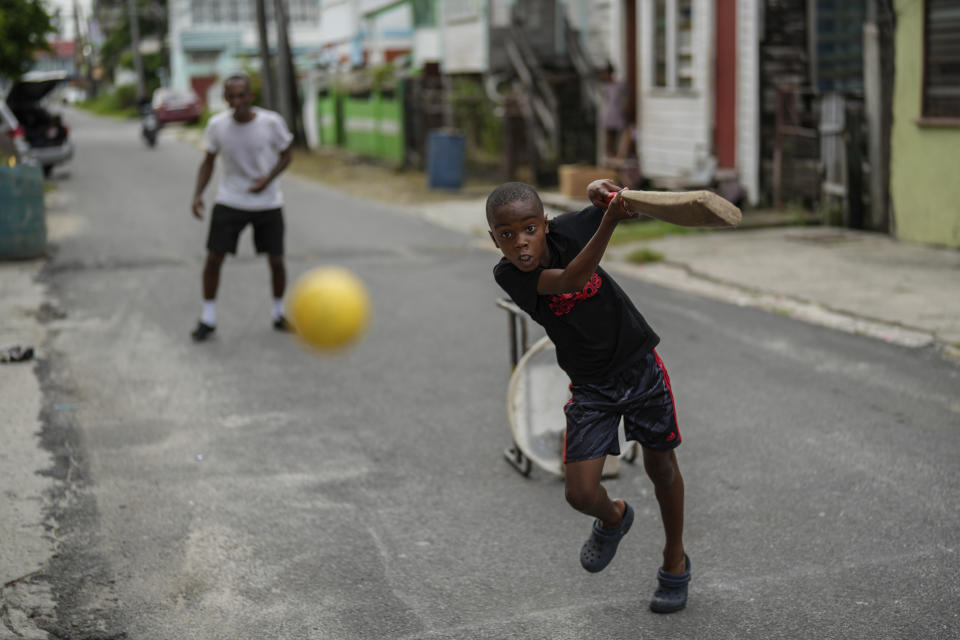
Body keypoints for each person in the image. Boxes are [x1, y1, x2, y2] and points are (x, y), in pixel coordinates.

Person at [486, 180, 690, 613]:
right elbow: (570, 280)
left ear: (544, 224)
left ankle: (675, 560)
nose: (521, 243)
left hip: (639, 365)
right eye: (507, 235)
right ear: (494, 240)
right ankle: (614, 516)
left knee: (661, 467)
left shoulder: (570, 230)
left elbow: (613, 205)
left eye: (529, 229)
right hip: (591, 386)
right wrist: (610, 222)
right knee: (579, 492)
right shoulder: (509, 274)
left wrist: (605, 196)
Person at [190, 73, 294, 342]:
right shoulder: (217, 126)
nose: (237, 102)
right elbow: (209, 161)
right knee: (214, 258)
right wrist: (198, 194)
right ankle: (208, 318)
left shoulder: (271, 123)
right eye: (231, 97)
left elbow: (287, 154)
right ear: (225, 99)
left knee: (276, 260)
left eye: (242, 96)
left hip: (268, 201)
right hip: (231, 199)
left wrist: (268, 179)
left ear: (251, 97)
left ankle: (279, 313)